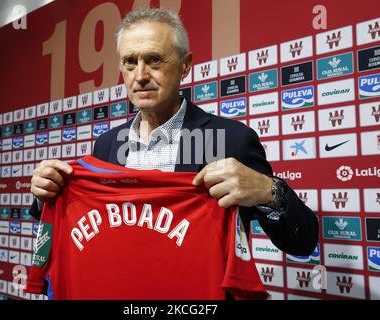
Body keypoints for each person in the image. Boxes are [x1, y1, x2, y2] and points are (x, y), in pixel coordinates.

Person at [30, 7, 318, 256]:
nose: (140, 76)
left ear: (185, 66)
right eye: (130, 62)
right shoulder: (106, 145)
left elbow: (302, 242)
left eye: (154, 59)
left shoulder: (232, 139)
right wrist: (46, 196)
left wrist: (269, 192)